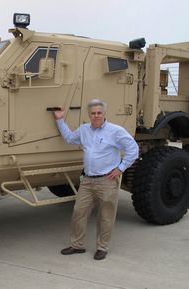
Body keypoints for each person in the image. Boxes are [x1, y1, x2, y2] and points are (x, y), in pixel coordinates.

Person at [53, 99, 139, 260]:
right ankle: (77, 245)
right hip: (87, 180)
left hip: (106, 181)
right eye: (93, 113)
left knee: (105, 216)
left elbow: (133, 149)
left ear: (104, 113)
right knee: (79, 212)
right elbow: (70, 138)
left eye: (99, 113)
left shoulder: (115, 131)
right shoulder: (84, 130)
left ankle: (102, 247)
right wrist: (59, 119)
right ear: (89, 115)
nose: (96, 116)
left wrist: (120, 168)